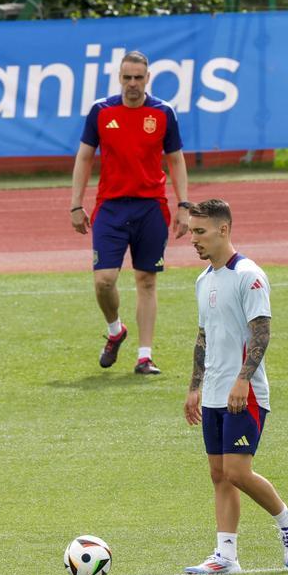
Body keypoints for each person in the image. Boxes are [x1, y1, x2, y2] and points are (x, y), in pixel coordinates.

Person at [182, 199, 288, 575]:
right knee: (219, 474)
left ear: (223, 230)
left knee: (236, 472)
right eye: (191, 232)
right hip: (215, 393)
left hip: (244, 394)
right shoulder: (204, 279)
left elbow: (261, 333)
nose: (193, 240)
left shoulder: (248, 275)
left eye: (200, 232)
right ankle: (226, 556)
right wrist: (194, 387)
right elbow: (204, 336)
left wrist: (242, 380)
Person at [70, 50, 190, 376]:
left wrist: (183, 205)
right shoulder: (101, 111)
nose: (132, 84)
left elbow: (176, 159)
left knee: (146, 280)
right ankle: (115, 331)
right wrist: (76, 203)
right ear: (119, 78)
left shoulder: (163, 113)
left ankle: (144, 356)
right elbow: (84, 158)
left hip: (151, 207)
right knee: (104, 282)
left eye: (138, 77)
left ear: (147, 78)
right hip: (110, 206)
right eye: (127, 78)